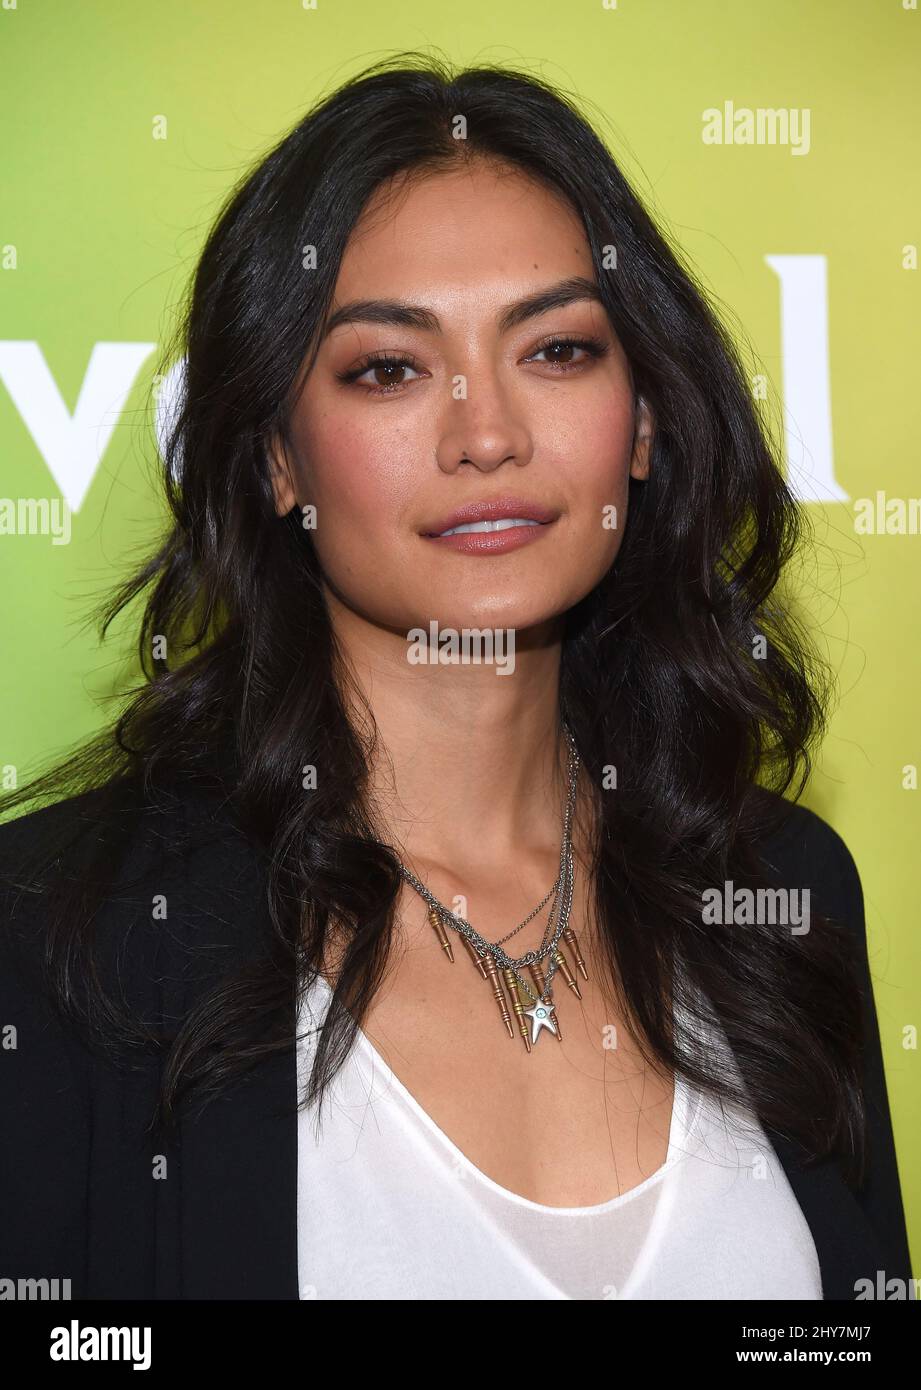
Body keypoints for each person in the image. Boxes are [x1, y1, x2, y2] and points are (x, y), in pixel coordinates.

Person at [0, 54, 912, 1301]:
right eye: (388, 367)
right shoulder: (63, 934)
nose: (487, 433)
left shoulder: (780, 888)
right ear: (276, 455)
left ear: (643, 421)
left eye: (558, 348)